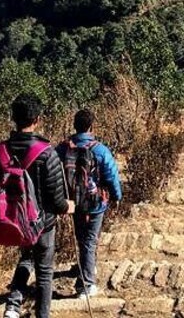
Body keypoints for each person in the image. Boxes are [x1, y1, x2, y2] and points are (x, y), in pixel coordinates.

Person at [0, 94, 73, 318]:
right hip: (43, 224)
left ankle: (13, 306)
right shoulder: (47, 153)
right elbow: (56, 199)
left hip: (14, 221)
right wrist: (67, 207)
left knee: (25, 258)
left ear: (13, 118)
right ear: (37, 119)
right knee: (44, 272)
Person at [57, 109, 123, 298]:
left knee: (82, 238)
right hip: (96, 203)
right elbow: (111, 175)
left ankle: (85, 267)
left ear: (74, 125)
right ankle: (86, 284)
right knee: (90, 240)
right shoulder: (99, 149)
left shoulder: (63, 148)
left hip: (73, 203)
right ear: (92, 126)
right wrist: (117, 196)